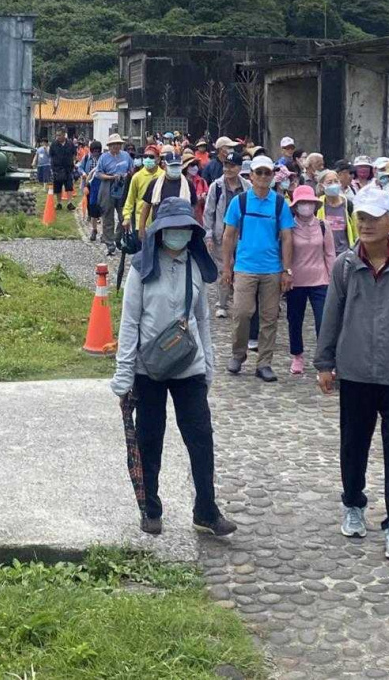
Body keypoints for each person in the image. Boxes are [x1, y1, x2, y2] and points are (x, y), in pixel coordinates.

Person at [315, 185, 389, 561]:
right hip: (354, 372)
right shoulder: (346, 265)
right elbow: (330, 316)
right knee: (353, 444)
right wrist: (324, 362)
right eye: (360, 218)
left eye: (372, 217)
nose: (365, 224)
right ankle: (353, 503)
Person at [111, 197, 236, 538]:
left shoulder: (194, 268)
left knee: (201, 440)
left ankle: (207, 511)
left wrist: (208, 365)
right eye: (171, 229)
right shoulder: (141, 269)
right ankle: (150, 508)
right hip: (147, 371)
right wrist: (123, 375)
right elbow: (129, 323)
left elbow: (202, 320)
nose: (178, 235)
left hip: (189, 369)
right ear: (159, 231)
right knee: (150, 440)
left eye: (184, 229)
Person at [221, 155, 295, 382]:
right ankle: (238, 354)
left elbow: (287, 237)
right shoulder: (240, 202)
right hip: (245, 267)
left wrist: (286, 270)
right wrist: (227, 266)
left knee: (269, 317)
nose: (263, 177)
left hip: (272, 269)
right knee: (242, 313)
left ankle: (264, 363)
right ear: (251, 175)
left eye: (267, 173)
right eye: (259, 172)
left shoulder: (280, 203)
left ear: (273, 176)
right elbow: (229, 235)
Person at [287, 184, 336, 376]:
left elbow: (330, 254)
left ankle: (325, 359)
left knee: (324, 321)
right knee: (295, 320)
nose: (306, 206)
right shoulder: (288, 227)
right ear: (295, 206)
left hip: (320, 280)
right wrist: (285, 273)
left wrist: (332, 279)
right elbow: (285, 252)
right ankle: (297, 355)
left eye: (309, 202)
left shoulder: (324, 226)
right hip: (296, 280)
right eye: (302, 203)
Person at [203, 152, 249, 320]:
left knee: (241, 269)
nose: (228, 169)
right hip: (221, 234)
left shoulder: (247, 187)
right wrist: (208, 234)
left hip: (243, 234)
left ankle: (240, 302)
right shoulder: (216, 186)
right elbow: (209, 212)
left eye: (232, 166)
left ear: (239, 167)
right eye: (226, 165)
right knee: (224, 268)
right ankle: (222, 304)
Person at [96, 133, 134, 257]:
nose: (116, 146)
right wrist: (111, 177)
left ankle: (118, 237)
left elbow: (131, 169)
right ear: (109, 146)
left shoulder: (126, 156)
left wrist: (127, 175)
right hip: (108, 184)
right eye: (113, 145)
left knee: (124, 215)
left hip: (123, 186)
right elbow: (98, 173)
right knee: (108, 215)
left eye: (118, 144)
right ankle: (109, 242)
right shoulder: (104, 158)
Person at [139, 152, 192, 239]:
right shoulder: (155, 184)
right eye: (172, 166)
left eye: (177, 166)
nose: (175, 169)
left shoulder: (188, 184)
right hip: (159, 228)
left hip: (181, 229)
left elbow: (194, 206)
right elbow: (146, 206)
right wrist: (141, 227)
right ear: (164, 166)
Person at [122, 144, 163, 234]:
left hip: (159, 222)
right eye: (145, 156)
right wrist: (127, 217)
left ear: (158, 159)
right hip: (140, 222)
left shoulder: (163, 176)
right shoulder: (137, 177)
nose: (148, 159)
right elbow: (130, 199)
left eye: (151, 157)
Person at [317, 170, 356, 256]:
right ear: (321, 186)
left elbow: (355, 229)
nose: (333, 184)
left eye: (336, 181)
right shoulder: (318, 205)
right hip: (325, 253)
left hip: (345, 253)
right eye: (329, 182)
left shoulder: (347, 204)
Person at [77, 140, 103, 241]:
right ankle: (94, 228)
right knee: (91, 205)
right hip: (89, 184)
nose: (96, 153)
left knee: (102, 207)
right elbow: (80, 167)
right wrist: (83, 173)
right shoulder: (87, 157)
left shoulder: (103, 158)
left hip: (101, 184)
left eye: (98, 151)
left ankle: (103, 231)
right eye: (94, 151)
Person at [49, 127, 76, 210]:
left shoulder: (70, 144)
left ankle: (69, 203)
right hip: (57, 169)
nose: (58, 137)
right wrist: (52, 168)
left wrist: (74, 163)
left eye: (59, 135)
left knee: (69, 186)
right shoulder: (54, 144)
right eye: (57, 135)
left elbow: (74, 154)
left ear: (64, 135)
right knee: (57, 187)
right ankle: (59, 203)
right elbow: (51, 156)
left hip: (68, 168)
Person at [182, 151, 209, 223]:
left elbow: (208, 200)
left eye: (196, 164)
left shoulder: (202, 181)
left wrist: (204, 198)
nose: (195, 167)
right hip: (184, 219)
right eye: (192, 165)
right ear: (185, 167)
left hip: (199, 219)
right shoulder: (181, 182)